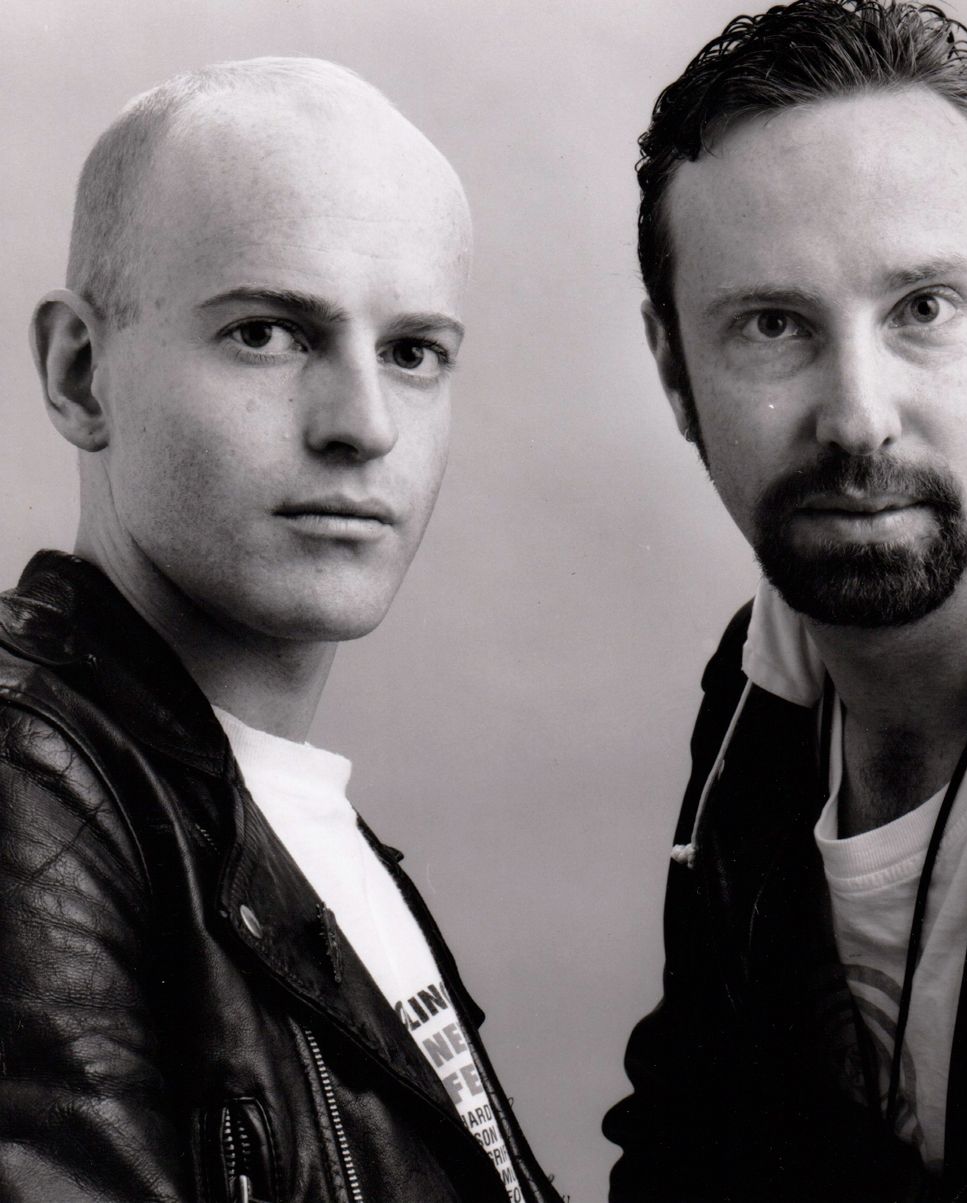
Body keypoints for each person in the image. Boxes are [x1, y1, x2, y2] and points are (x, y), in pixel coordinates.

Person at [604, 3, 967, 1200]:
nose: (859, 416)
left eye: (923, 309)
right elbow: (690, 1142)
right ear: (674, 370)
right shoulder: (762, 688)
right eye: (774, 325)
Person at [0, 58, 560, 1203]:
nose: (363, 425)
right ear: (80, 373)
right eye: (268, 333)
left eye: (412, 353)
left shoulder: (284, 823)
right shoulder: (25, 785)